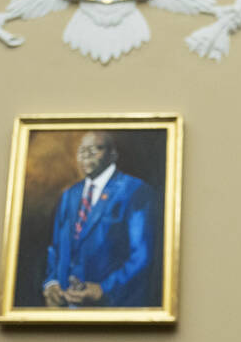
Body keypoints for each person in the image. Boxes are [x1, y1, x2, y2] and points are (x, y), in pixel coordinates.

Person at [43, 131, 159, 308]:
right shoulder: (70, 195)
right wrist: (51, 283)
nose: (86, 154)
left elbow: (141, 256)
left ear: (113, 155)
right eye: (82, 150)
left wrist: (104, 289)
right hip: (67, 309)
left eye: (95, 149)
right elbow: (56, 247)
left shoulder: (135, 190)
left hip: (112, 308)